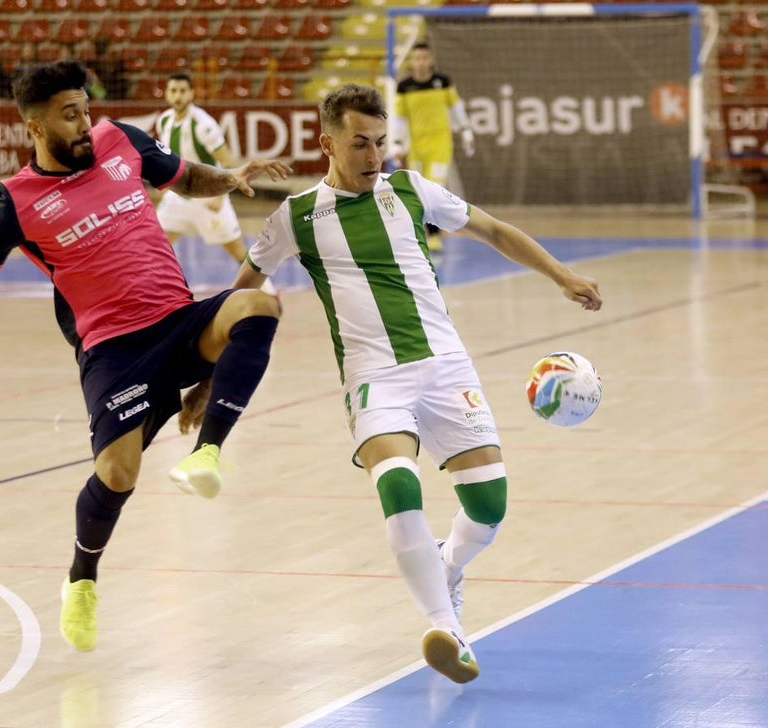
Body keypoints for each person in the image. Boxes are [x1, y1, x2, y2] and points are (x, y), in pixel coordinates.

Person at [0, 60, 290, 652]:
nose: (83, 124)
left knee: (257, 306)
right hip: (114, 352)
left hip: (178, 322)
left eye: (85, 110)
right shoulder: (15, 202)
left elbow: (182, 176)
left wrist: (231, 176)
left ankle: (208, 454)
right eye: (69, 115)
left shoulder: (118, 140)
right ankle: (81, 580)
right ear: (34, 126)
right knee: (118, 474)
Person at [227, 84, 602, 684]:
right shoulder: (294, 217)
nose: (374, 155)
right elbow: (242, 291)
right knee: (398, 485)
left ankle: (447, 568)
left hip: (446, 366)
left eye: (380, 142)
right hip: (373, 377)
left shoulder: (410, 190)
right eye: (359, 143)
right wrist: (210, 374)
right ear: (327, 143)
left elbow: (495, 230)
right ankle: (444, 627)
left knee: (488, 507)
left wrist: (559, 274)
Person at [154, 72, 276, 295]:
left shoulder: (203, 124)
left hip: (209, 196)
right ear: (167, 94)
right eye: (173, 91)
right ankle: (159, 295)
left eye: (182, 91)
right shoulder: (164, 121)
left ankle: (268, 293)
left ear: (191, 93)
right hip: (178, 197)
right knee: (156, 245)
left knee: (236, 250)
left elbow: (228, 162)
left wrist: (221, 196)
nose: (178, 96)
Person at [389, 41, 476, 252]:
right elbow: (399, 118)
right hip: (417, 146)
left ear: (431, 60)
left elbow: (456, 108)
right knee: (419, 189)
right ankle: (422, 233)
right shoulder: (404, 86)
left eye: (424, 58)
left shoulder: (442, 82)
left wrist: (465, 130)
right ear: (411, 61)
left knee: (434, 186)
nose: (420, 62)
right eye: (416, 58)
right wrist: (397, 142)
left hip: (440, 145)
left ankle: (435, 235)